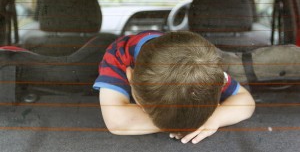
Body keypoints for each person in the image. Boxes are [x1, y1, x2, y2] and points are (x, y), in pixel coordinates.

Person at [93, 30, 255, 144]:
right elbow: (116, 121)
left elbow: (246, 101)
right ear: (130, 78)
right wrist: (187, 122)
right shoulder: (119, 54)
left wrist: (215, 117)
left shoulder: (205, 70)